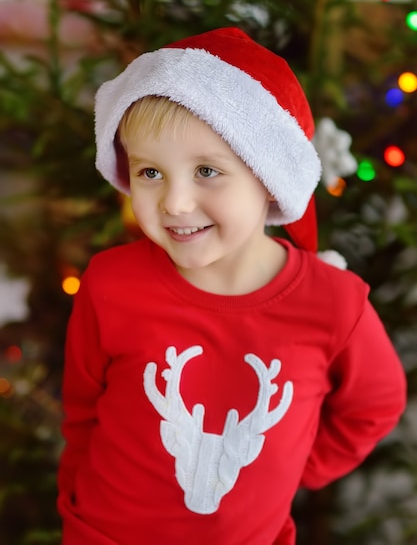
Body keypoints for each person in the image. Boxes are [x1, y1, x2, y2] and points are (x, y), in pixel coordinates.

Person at [57, 27, 407, 545]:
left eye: (205, 170)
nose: (174, 203)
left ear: (268, 177)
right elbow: (83, 411)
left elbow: (375, 403)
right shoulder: (111, 282)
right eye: (151, 172)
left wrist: (294, 466)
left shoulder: (335, 303)